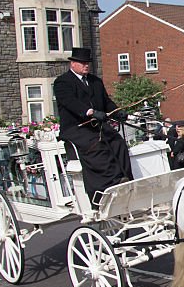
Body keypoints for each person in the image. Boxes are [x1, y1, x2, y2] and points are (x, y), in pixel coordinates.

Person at [53, 46, 133, 206]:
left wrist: (117, 112)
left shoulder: (95, 81)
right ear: (73, 64)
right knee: (97, 147)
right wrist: (90, 112)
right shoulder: (62, 82)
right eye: (82, 63)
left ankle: (126, 181)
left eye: (87, 62)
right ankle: (105, 189)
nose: (86, 65)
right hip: (77, 128)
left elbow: (106, 102)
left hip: (97, 126)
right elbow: (70, 103)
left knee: (119, 143)